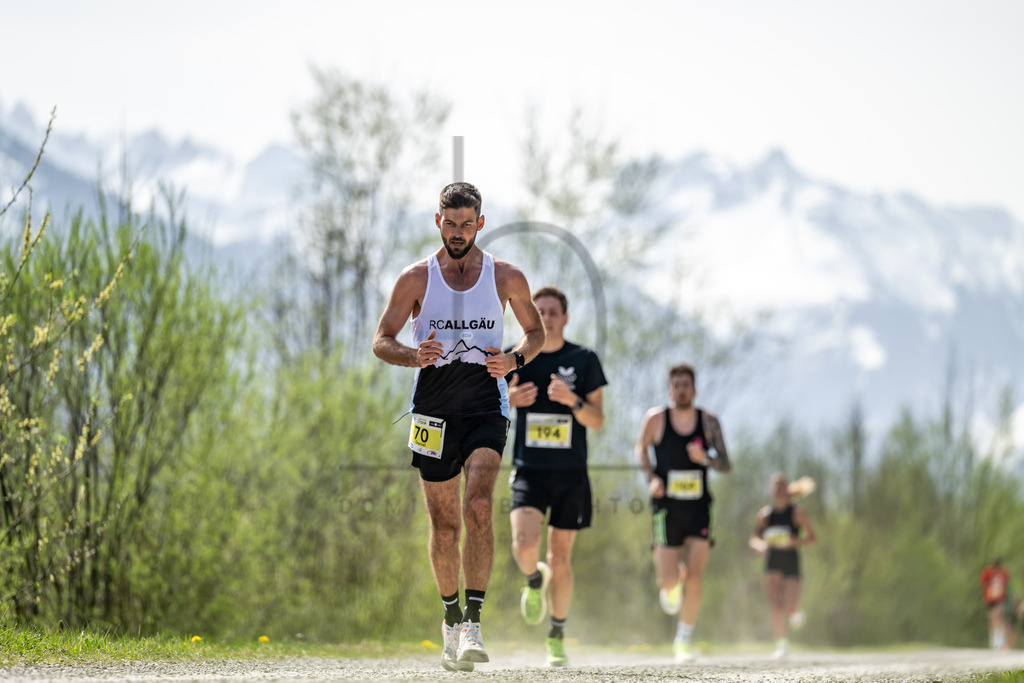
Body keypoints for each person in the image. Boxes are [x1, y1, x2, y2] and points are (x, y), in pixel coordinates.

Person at [373, 182, 545, 672]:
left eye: (467, 224)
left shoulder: (505, 276)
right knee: (445, 527)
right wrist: (414, 356)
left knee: (479, 506)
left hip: (486, 407)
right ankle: (450, 621)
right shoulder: (416, 279)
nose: (457, 232)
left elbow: (536, 332)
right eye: (450, 223)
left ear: (480, 224)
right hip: (432, 412)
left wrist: (514, 359)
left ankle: (473, 622)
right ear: (438, 221)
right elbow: (381, 340)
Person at [506, 286, 607, 667]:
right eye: (540, 312)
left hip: (570, 474)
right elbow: (486, 406)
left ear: (565, 318)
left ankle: (557, 635)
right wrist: (509, 400)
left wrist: (572, 400)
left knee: (560, 558)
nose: (546, 318)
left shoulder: (584, 360)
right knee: (524, 544)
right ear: (529, 317)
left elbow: (597, 420)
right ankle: (534, 580)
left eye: (552, 312)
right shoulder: (515, 357)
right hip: (529, 470)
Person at [635, 363, 731, 663]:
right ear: (669, 390)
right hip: (667, 509)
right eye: (676, 385)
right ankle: (673, 583)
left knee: (696, 577)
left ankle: (683, 640)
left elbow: (725, 464)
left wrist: (706, 458)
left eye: (685, 385)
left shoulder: (709, 422)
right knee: (668, 581)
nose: (681, 390)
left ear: (694, 389)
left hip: (699, 509)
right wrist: (651, 478)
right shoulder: (656, 419)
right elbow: (641, 449)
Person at [748, 473, 818, 659]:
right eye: (775, 486)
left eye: (782, 486)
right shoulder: (765, 515)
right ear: (771, 490)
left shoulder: (797, 513)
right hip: (772, 562)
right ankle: (782, 644)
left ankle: (795, 610)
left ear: (787, 489)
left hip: (791, 562)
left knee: (788, 605)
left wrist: (797, 541)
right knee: (775, 605)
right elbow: (754, 538)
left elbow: (813, 538)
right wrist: (759, 545)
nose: (778, 490)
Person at [981, 558, 1011, 650]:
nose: (995, 569)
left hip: (1000, 598)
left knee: (999, 615)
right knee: (992, 618)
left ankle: (1000, 640)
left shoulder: (1003, 573)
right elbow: (983, 583)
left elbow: (1006, 584)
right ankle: (994, 640)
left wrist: (1004, 594)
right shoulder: (988, 572)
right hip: (991, 599)